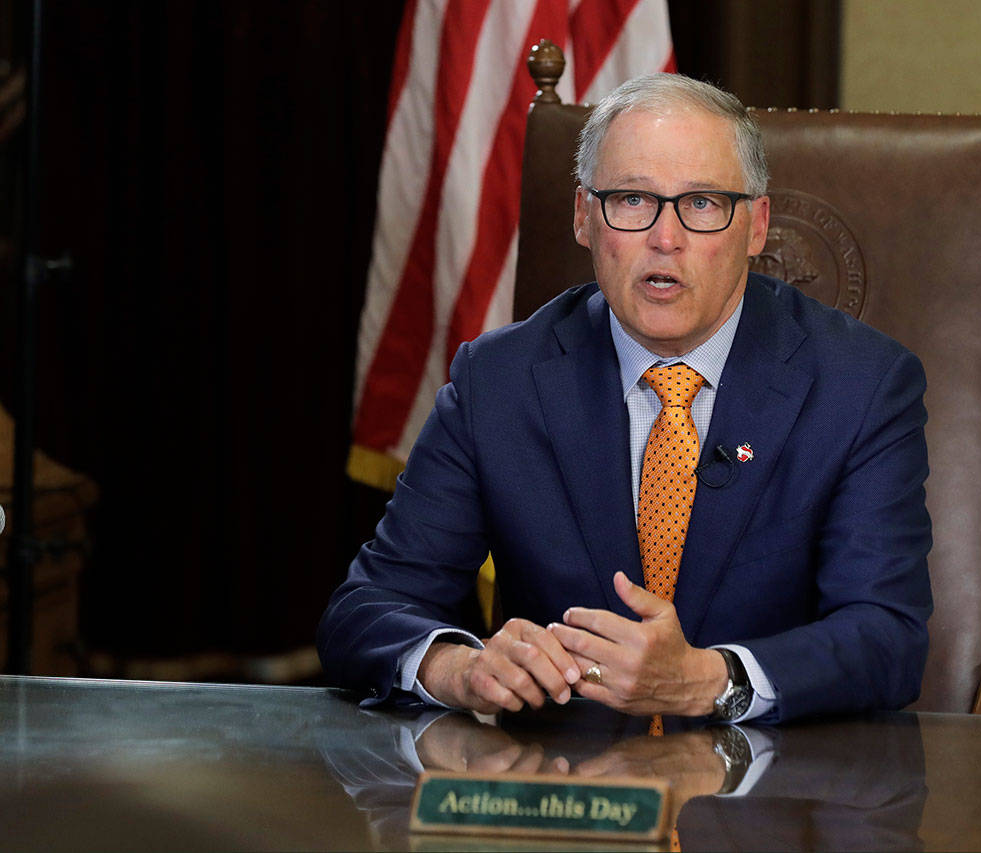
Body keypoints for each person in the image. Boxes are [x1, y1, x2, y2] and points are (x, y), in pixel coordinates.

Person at [318, 73, 932, 725]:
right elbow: (365, 611)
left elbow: (886, 637)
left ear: (756, 226)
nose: (665, 239)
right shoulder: (497, 380)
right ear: (585, 216)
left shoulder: (861, 384)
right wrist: (460, 669)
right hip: (563, 796)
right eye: (633, 200)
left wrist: (711, 681)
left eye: (701, 204)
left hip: (771, 803)